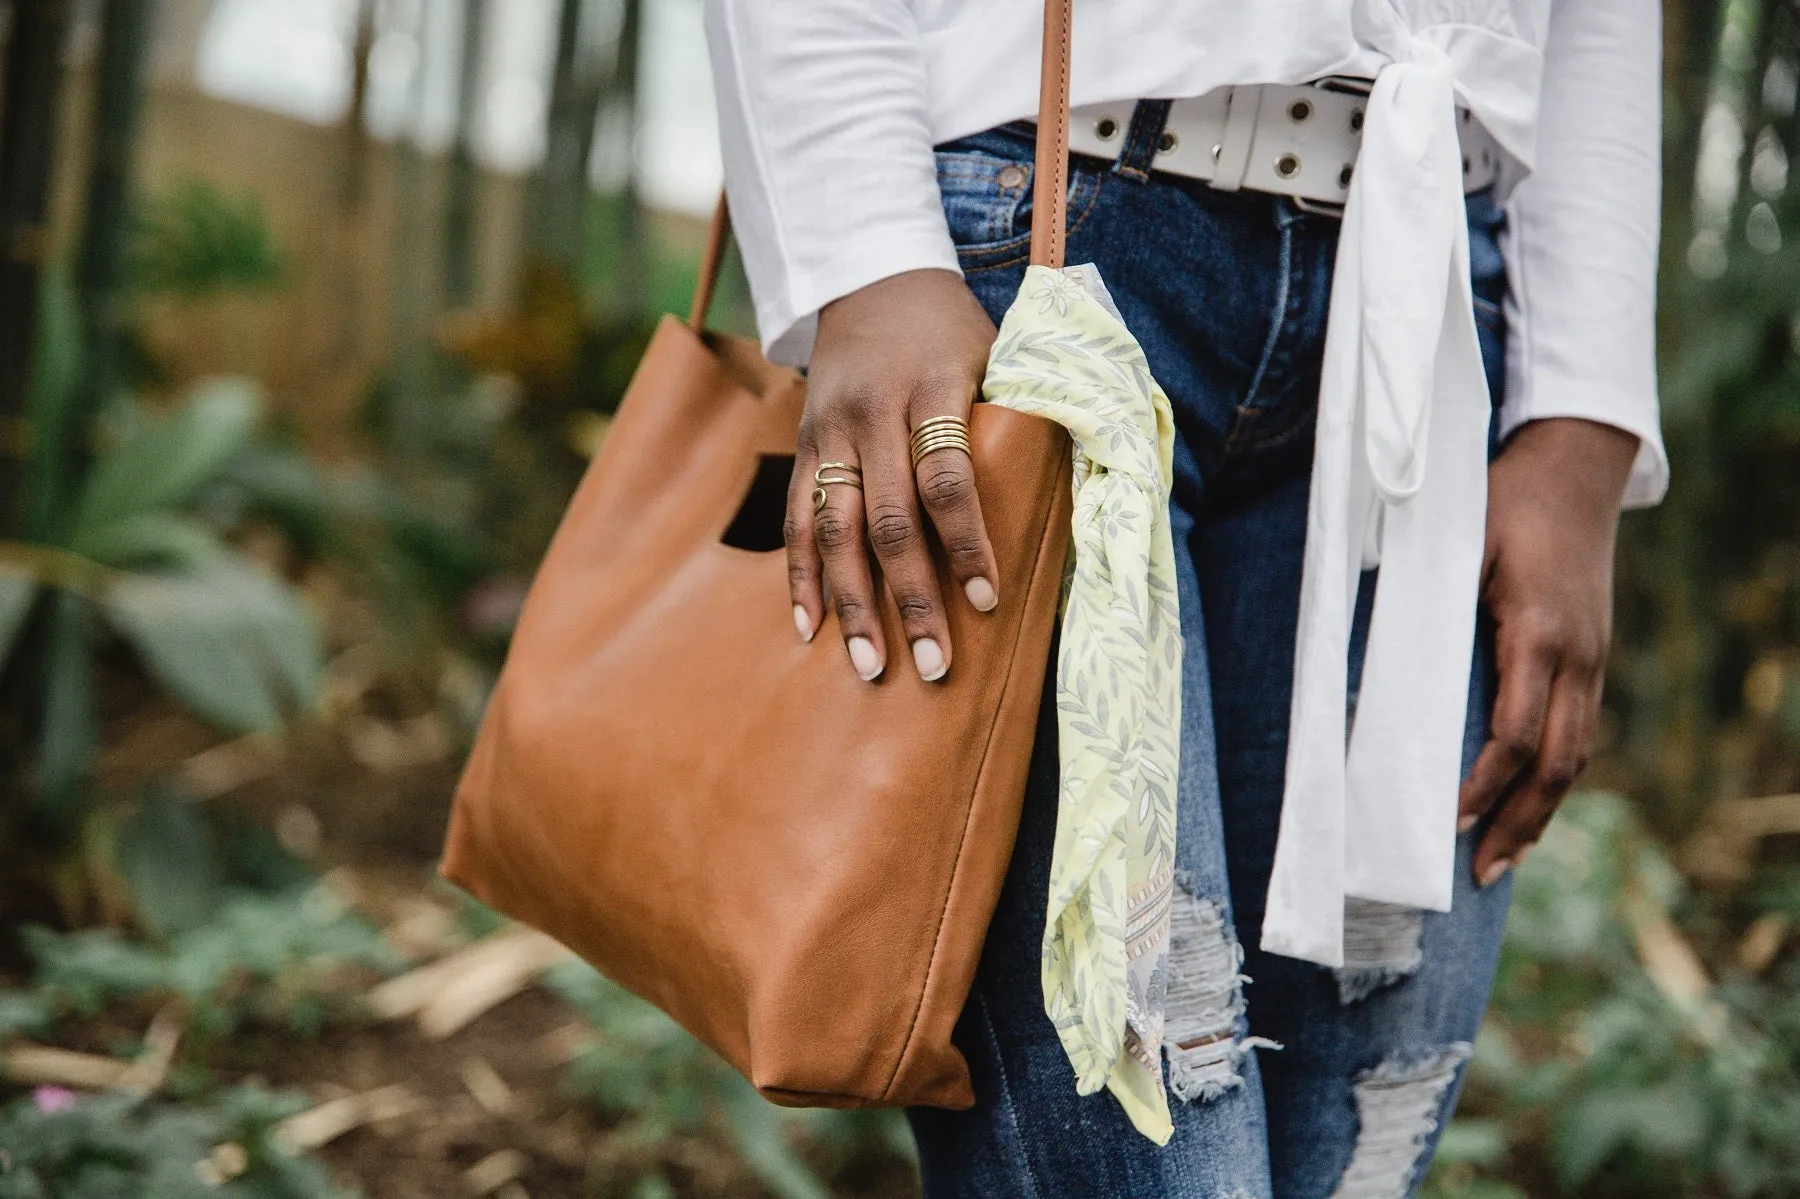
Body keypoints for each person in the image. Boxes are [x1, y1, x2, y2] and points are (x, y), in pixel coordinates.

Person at [702, 2, 1664, 1195]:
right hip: (1047, 255)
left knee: (1359, 1160)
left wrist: (1585, 417)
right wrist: (866, 254)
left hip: (1434, 317)